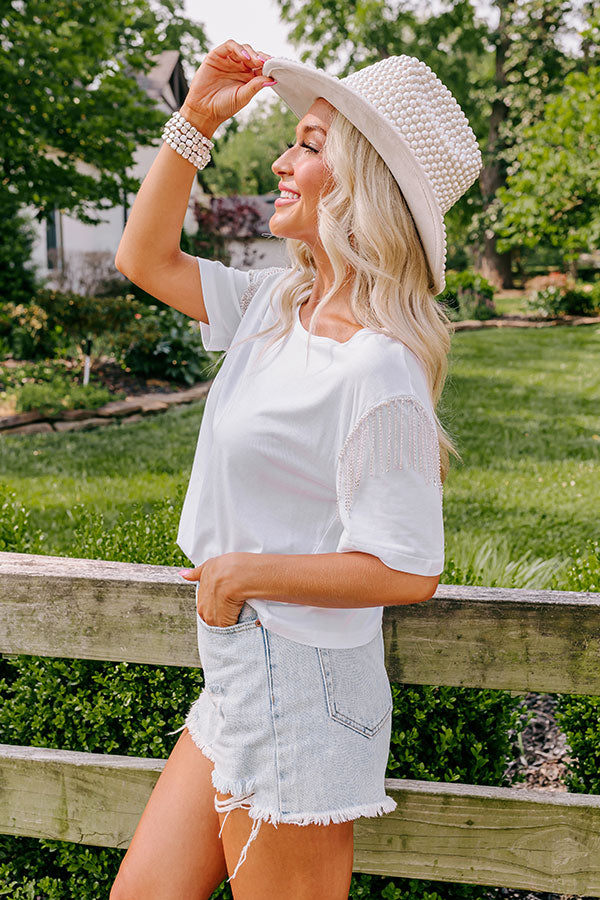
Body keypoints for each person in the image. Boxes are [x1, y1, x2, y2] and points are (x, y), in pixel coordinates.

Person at [110, 39, 482, 900]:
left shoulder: (377, 367)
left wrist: (240, 573)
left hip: (304, 683)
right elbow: (144, 260)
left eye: (309, 145)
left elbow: (408, 568)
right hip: (240, 667)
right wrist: (195, 120)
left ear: (362, 186)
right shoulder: (277, 305)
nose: (281, 161)